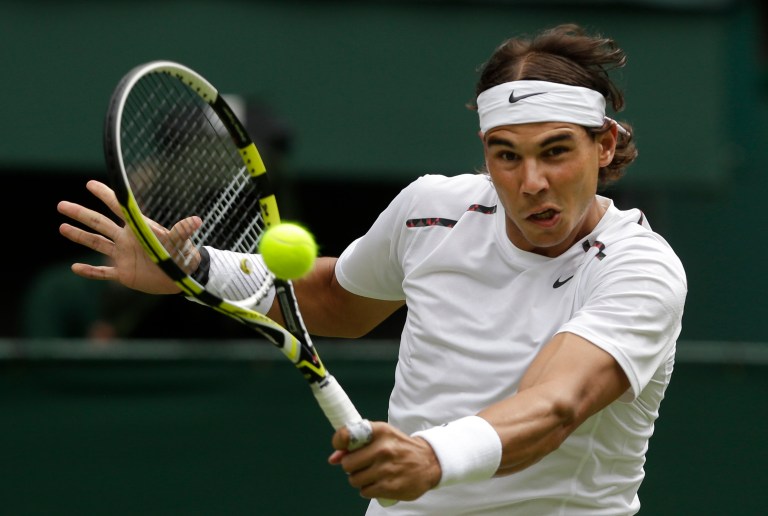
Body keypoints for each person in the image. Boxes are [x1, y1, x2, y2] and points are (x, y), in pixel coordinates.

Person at [57, 24, 687, 515]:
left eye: (556, 152)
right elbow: (334, 298)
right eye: (507, 155)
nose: (531, 183)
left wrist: (431, 457)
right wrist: (194, 268)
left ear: (603, 145)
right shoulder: (431, 211)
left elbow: (555, 406)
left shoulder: (639, 269)